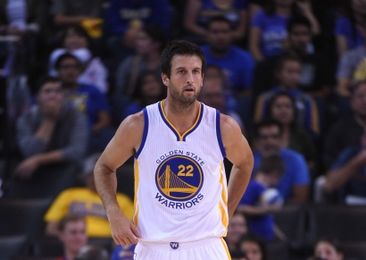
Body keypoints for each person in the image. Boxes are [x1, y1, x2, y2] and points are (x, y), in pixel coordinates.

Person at [94, 40, 254, 259]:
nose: (190, 79)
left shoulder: (222, 126)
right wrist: (113, 212)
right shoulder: (138, 125)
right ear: (165, 78)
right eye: (181, 72)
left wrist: (226, 210)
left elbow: (244, 163)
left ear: (202, 78)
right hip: (153, 247)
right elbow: (103, 166)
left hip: (206, 247)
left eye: (196, 72)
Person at [10, 76, 88, 198]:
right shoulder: (26, 118)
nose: (53, 95)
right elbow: (30, 152)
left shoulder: (77, 117)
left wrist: (38, 159)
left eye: (58, 91)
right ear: (37, 97)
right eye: (47, 91)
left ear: (64, 96)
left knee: (74, 169)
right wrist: (49, 121)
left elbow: (76, 151)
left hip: (65, 169)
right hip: (34, 171)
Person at [44, 154, 134, 238]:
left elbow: (132, 231)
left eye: (102, 175)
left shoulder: (122, 200)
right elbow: (51, 228)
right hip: (74, 242)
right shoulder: (69, 194)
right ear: (85, 176)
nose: (96, 178)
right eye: (92, 174)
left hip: (108, 243)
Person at [252, 120, 310, 203]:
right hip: (252, 211)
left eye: (274, 137)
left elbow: (300, 198)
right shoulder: (249, 161)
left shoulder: (296, 160)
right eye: (264, 137)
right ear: (257, 141)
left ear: (282, 139)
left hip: (287, 212)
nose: (270, 142)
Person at [237, 154, 285, 241]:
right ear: (275, 173)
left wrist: (280, 236)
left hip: (268, 238)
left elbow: (268, 218)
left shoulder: (265, 188)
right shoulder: (253, 186)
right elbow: (241, 208)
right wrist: (267, 209)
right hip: (256, 237)